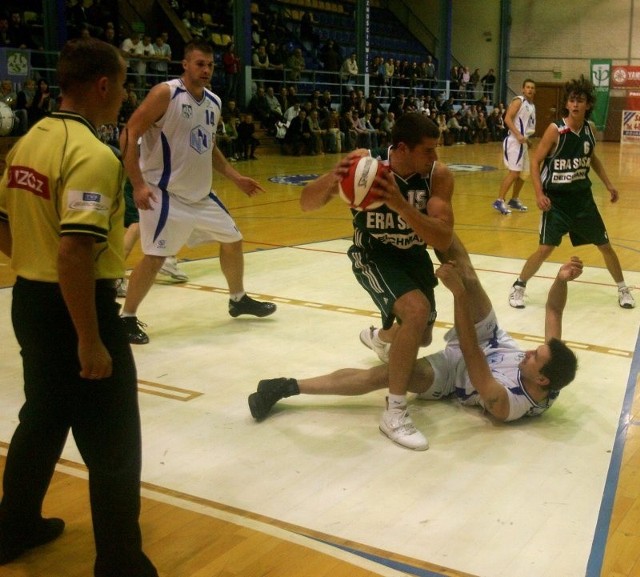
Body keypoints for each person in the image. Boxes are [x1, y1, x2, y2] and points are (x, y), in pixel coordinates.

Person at [0, 37, 157, 576]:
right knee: (114, 442)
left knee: (41, 419)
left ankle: (13, 527)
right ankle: (120, 564)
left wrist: (33, 259)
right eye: (123, 86)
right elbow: (74, 252)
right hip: (78, 308)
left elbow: (5, 223)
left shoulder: (26, 144)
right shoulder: (92, 154)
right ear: (103, 85)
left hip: (30, 299)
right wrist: (89, 340)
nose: (124, 97)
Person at [248, 235, 581, 445]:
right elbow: (554, 310)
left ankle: (285, 386)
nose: (526, 351)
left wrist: (458, 295)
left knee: (384, 376)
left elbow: (468, 350)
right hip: (490, 338)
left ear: (540, 378)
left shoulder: (507, 405)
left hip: (455, 374)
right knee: (466, 271)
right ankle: (427, 223)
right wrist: (561, 278)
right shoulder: (553, 370)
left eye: (533, 358)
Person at [296, 112, 454, 450]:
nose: (435, 157)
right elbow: (306, 203)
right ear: (401, 148)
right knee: (415, 310)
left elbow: (442, 238)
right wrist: (331, 178)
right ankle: (394, 412)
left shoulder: (437, 177)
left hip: (412, 256)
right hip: (373, 253)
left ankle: (382, 338)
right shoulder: (364, 166)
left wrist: (400, 204)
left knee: (422, 336)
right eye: (428, 150)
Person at [119, 40, 276, 345]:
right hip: (163, 193)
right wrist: (137, 183)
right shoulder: (166, 93)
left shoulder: (214, 102)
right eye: (200, 64)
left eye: (210, 65)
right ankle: (126, 317)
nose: (206, 70)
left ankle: (238, 298)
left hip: (200, 195)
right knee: (154, 257)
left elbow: (209, 145)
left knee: (232, 239)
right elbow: (130, 131)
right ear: (185, 64)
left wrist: (235, 176)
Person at [509, 75, 635, 310]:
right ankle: (519, 285)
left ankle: (623, 289)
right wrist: (538, 194)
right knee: (545, 248)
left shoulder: (590, 128)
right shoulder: (555, 130)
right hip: (556, 201)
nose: (575, 104)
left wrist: (608, 184)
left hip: (582, 200)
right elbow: (535, 162)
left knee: (605, 245)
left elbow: (592, 158)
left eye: (581, 100)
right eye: (572, 100)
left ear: (588, 105)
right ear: (567, 104)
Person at [494, 78, 536, 214]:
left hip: (522, 142)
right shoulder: (519, 100)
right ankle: (499, 200)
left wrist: (528, 141)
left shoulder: (532, 105)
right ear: (523, 89)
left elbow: (526, 128)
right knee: (514, 173)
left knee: (524, 174)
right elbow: (507, 118)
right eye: (527, 87)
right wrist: (518, 134)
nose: (530, 89)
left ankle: (514, 199)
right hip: (514, 140)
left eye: (532, 88)